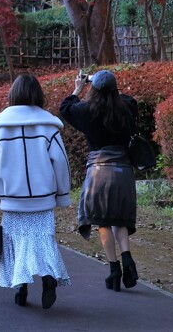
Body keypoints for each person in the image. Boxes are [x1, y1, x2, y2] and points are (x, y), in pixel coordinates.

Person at [0, 74, 72, 309]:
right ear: (38, 94)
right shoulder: (49, 127)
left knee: (15, 242)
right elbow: (60, 162)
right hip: (43, 199)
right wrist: (62, 194)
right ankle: (48, 276)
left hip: (11, 200)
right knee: (44, 239)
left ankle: (20, 287)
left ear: (13, 94)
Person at [60, 69, 140, 291]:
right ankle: (127, 258)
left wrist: (79, 87)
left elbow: (65, 108)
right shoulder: (127, 107)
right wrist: (107, 87)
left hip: (98, 172)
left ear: (93, 89)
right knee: (119, 219)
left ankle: (114, 269)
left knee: (103, 222)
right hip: (123, 171)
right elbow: (128, 99)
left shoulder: (86, 111)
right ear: (115, 88)